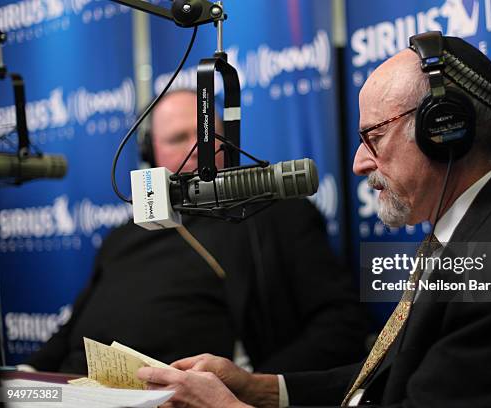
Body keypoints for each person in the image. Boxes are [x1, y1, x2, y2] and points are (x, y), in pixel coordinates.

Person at [136, 32, 491, 407]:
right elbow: (390, 379)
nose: (360, 162)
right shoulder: (477, 233)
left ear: (442, 130)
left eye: (374, 136)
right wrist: (257, 388)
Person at [23, 90, 370, 375]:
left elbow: (341, 323)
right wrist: (24, 376)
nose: (197, 150)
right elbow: (73, 328)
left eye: (207, 136)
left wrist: (250, 388)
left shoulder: (277, 215)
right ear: (150, 152)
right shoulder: (124, 234)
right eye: (178, 139)